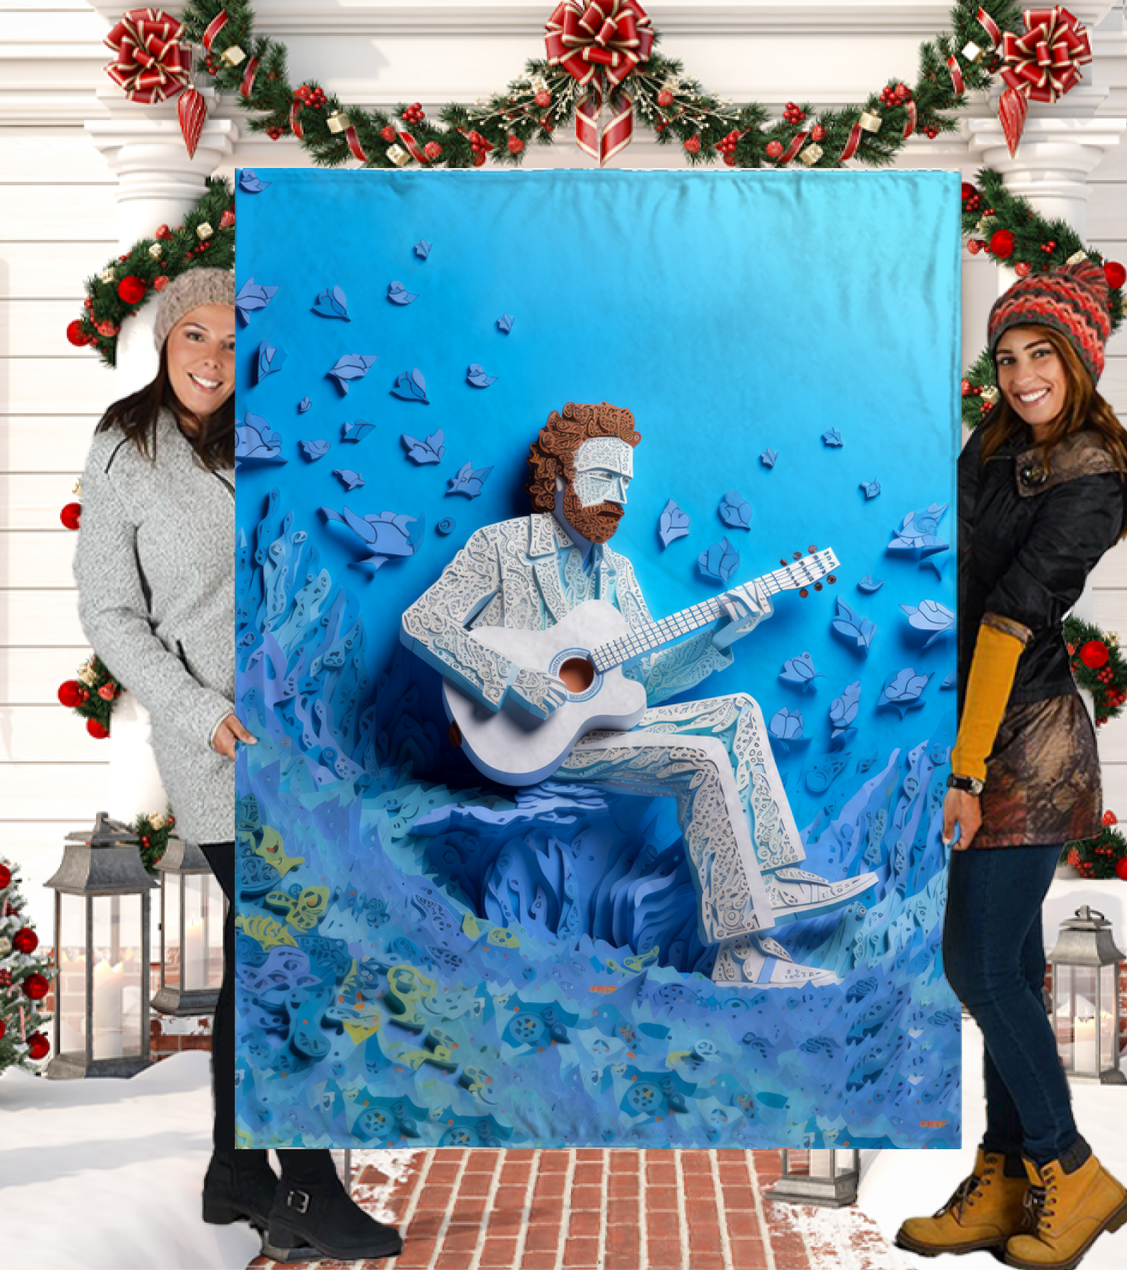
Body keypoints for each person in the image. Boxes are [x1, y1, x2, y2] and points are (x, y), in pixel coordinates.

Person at [73, 268, 402, 1263]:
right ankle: (303, 1185)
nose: (214, 360)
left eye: (231, 341)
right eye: (195, 338)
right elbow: (111, 614)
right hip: (217, 744)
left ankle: (232, 1170)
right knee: (287, 953)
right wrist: (196, 711)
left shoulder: (273, 442)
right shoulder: (125, 448)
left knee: (267, 957)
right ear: (166, 344)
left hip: (305, 734)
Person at [402, 400, 877, 986]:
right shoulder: (498, 547)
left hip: (596, 732)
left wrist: (726, 630)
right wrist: (512, 680)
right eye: (603, 478)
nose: (619, 498)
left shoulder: (618, 573)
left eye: (625, 483)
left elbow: (645, 679)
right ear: (557, 477)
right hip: (524, 741)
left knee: (740, 709)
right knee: (702, 759)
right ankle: (742, 957)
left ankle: (775, 876)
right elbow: (423, 623)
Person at [896, 261, 1127, 1269]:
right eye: (1007, 357)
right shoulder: (997, 448)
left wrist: (965, 773)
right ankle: (1006, 1177)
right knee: (1002, 964)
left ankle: (1070, 1166)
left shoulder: (1094, 474)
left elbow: (1011, 617)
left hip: (1031, 743)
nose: (1019, 374)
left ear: (1079, 360)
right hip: (976, 721)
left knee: (974, 962)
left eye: (1039, 354)